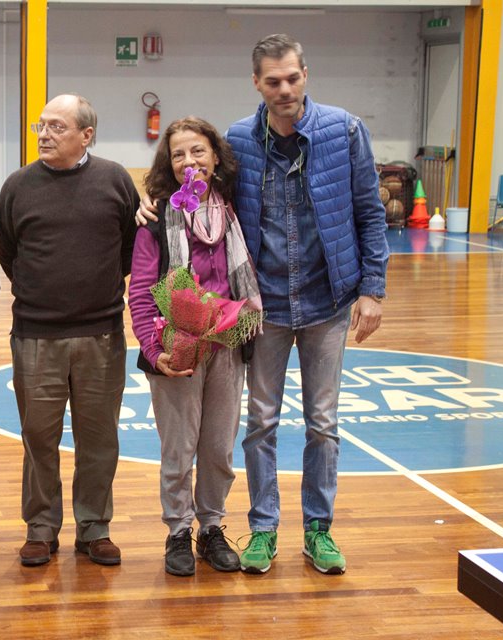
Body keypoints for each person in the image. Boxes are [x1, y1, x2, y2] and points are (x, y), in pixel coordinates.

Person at [138, 34, 389, 575]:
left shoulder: (344, 130)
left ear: (306, 74)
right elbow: (195, 188)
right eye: (272, 81)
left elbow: (370, 212)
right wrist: (150, 200)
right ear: (256, 83)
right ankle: (262, 529)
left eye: (292, 77)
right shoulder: (239, 142)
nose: (284, 89)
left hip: (328, 300)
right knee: (260, 423)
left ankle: (319, 530)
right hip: (263, 307)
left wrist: (373, 288)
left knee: (323, 423)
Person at [0, 94, 139, 568]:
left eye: (57, 127)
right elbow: (7, 251)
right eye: (41, 126)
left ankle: (94, 526)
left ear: (86, 135)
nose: (44, 135)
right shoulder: (18, 185)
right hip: (36, 334)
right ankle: (41, 527)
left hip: (101, 334)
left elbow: (129, 252)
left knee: (99, 437)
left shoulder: (115, 180)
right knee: (39, 435)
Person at [128, 116, 261, 577]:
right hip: (177, 351)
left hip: (226, 345)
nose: (189, 161)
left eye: (198, 151)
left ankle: (211, 528)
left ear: (216, 157)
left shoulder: (235, 210)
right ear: (168, 162)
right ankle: (178, 531)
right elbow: (142, 289)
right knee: (179, 449)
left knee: (219, 449)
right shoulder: (156, 217)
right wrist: (154, 349)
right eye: (179, 154)